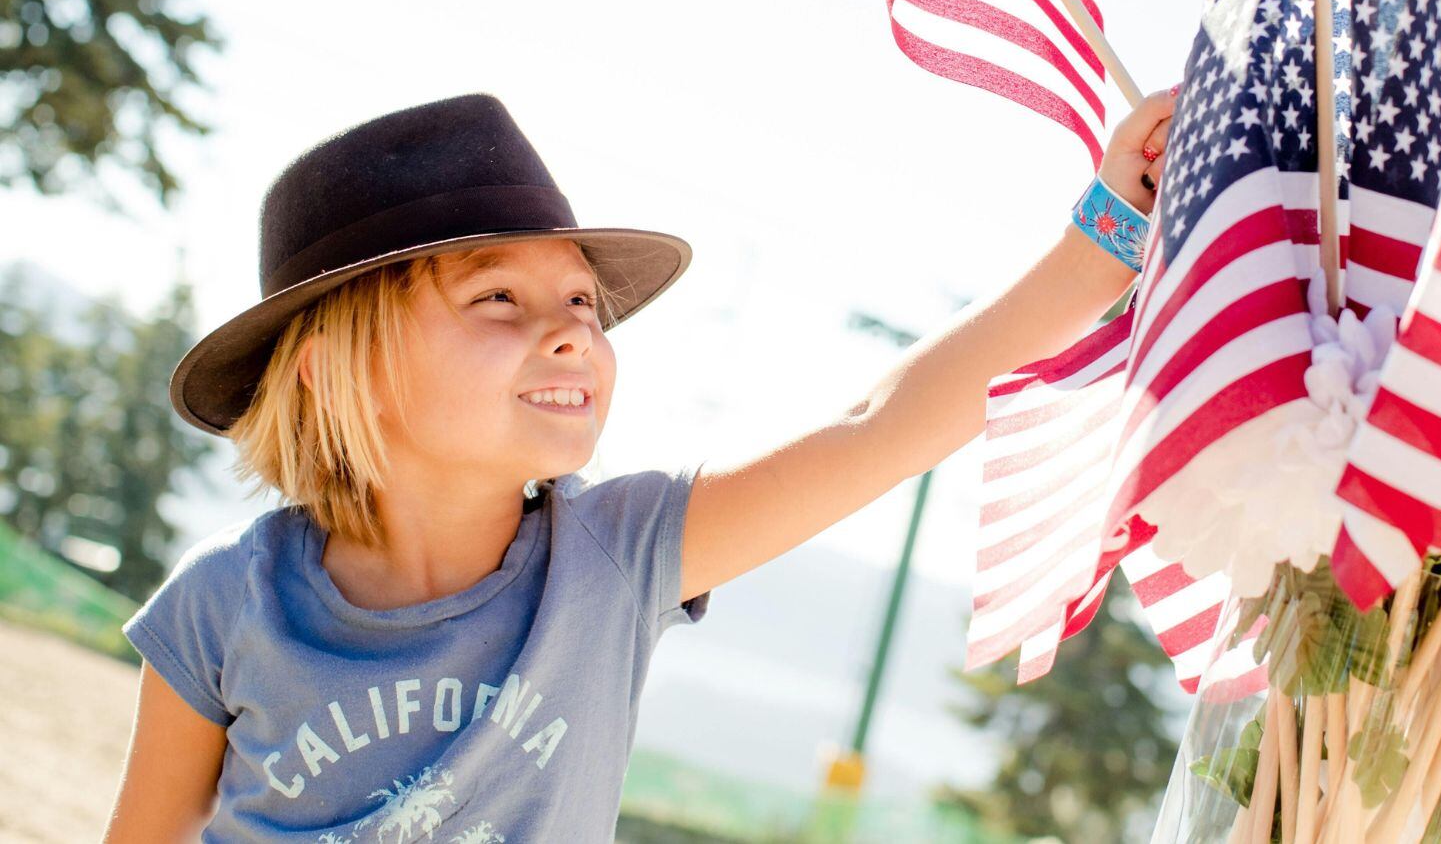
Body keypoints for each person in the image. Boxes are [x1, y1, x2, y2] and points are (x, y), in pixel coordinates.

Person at [101, 89, 1175, 841]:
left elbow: (876, 423)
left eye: (581, 302)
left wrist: (1110, 230)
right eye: (497, 299)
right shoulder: (220, 605)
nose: (572, 333)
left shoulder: (618, 556)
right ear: (340, 368)